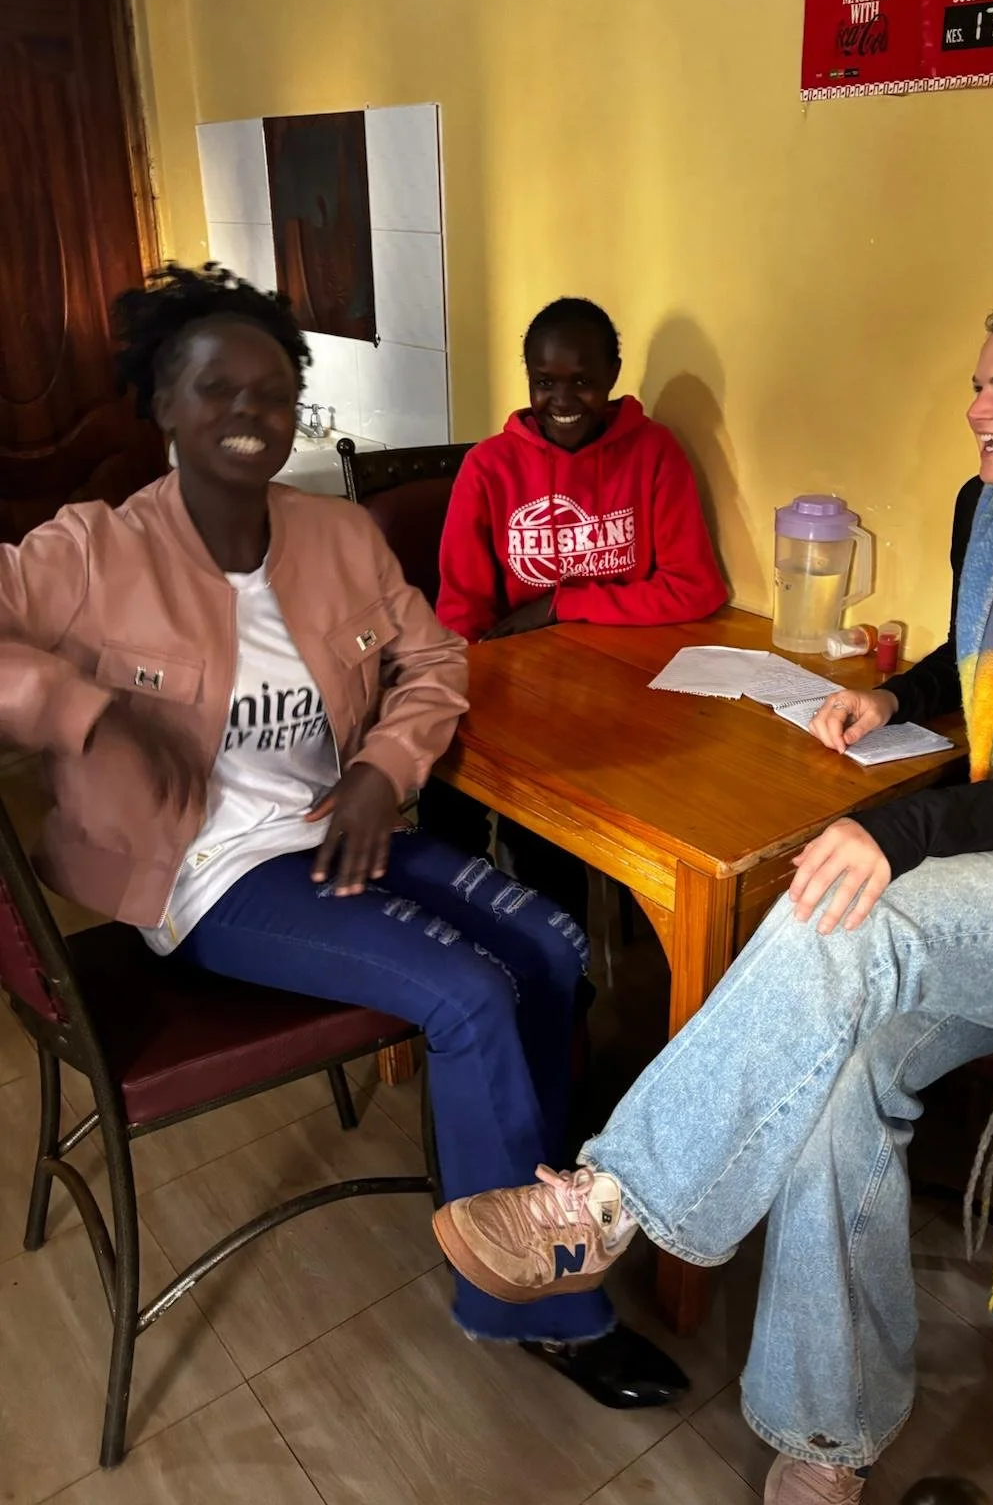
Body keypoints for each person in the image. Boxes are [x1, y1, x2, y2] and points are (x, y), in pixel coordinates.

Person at [429, 281, 993, 1503]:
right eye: (978, 384)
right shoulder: (991, 512)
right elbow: (971, 661)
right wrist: (896, 697)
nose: (977, 410)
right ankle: (830, 1437)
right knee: (837, 1081)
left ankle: (611, 1196)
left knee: (855, 906)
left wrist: (904, 830)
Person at [0, 264, 686, 1412]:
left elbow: (437, 659)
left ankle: (525, 1190)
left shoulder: (336, 537)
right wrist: (83, 705)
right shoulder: (92, 553)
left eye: (274, 390)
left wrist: (381, 768)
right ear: (162, 403)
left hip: (333, 827)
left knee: (553, 946)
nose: (249, 413)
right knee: (469, 991)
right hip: (206, 872)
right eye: (216, 388)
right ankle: (540, 1306)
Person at [426, 297, 727, 920]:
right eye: (545, 382)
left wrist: (562, 604)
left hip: (623, 694)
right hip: (513, 691)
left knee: (556, 838)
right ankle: (453, 929)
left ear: (612, 375)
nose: (562, 400)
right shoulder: (489, 467)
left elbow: (696, 589)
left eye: (582, 381)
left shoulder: (653, 452)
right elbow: (461, 613)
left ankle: (563, 952)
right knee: (447, 792)